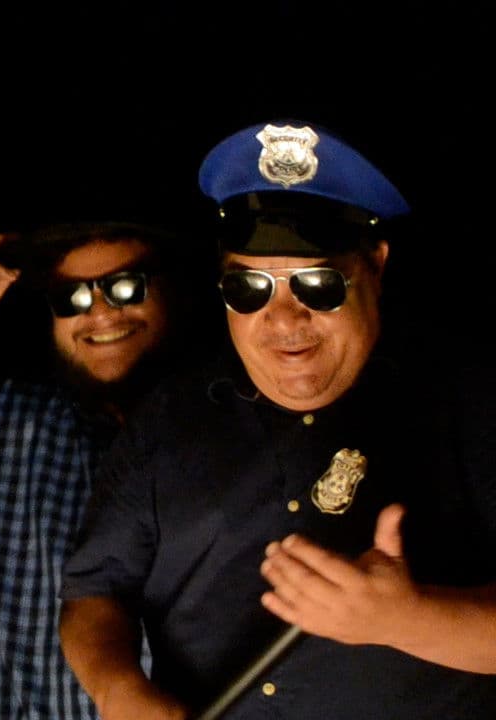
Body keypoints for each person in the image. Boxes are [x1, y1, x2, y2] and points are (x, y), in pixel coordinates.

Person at [58, 120, 496, 719]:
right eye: (249, 287)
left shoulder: (471, 398)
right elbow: (94, 593)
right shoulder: (167, 416)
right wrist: (118, 690)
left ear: (375, 265)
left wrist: (408, 619)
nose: (284, 318)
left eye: (317, 284)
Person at [0, 212, 216, 719]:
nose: (99, 312)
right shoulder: (5, 426)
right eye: (71, 296)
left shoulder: (231, 439)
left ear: (175, 290)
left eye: (125, 286)